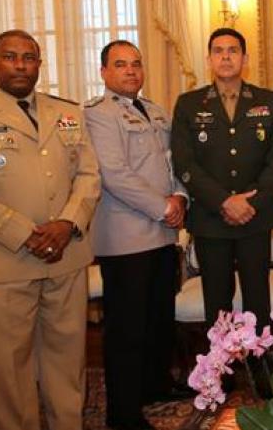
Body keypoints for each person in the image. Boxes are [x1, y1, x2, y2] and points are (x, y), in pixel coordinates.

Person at [0, 29, 100, 430]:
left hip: (65, 258)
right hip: (1, 263)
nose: (21, 65)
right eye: (10, 57)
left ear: (40, 64)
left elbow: (89, 175)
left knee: (67, 361)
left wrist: (66, 224)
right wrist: (27, 235)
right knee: (8, 370)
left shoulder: (68, 113)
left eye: (30, 57)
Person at [170, 28, 273, 389]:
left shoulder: (269, 101)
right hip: (211, 219)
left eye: (233, 50)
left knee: (258, 298)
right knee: (217, 302)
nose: (226, 56)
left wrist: (249, 203)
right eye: (218, 51)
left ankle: (263, 372)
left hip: (256, 218)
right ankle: (217, 374)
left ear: (245, 59)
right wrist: (223, 201)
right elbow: (185, 163)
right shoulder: (189, 104)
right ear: (209, 60)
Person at [83, 40, 192, 429]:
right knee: (127, 330)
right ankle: (123, 411)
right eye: (121, 64)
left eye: (136, 64)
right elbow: (114, 174)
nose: (131, 71)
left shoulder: (158, 112)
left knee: (158, 321)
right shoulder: (98, 115)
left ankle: (156, 386)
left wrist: (180, 195)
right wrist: (165, 207)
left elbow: (175, 164)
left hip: (163, 236)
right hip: (125, 237)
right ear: (104, 72)